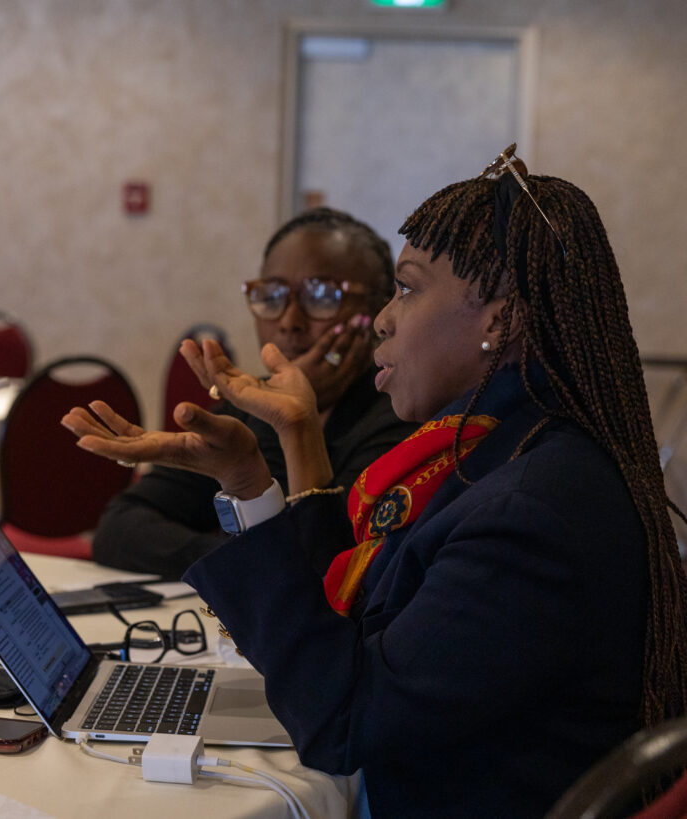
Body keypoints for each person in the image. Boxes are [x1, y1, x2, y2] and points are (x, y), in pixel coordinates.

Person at [62, 146, 687, 817]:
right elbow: (364, 620)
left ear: (500, 319)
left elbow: (344, 723)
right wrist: (249, 479)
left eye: (408, 287)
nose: (386, 318)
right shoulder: (503, 449)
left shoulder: (527, 507)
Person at [93, 208, 415, 579]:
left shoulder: (402, 416)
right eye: (272, 295)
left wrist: (284, 418)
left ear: (379, 308)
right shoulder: (246, 404)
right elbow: (119, 530)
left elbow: (320, 565)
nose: (290, 321)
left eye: (322, 296)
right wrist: (236, 561)